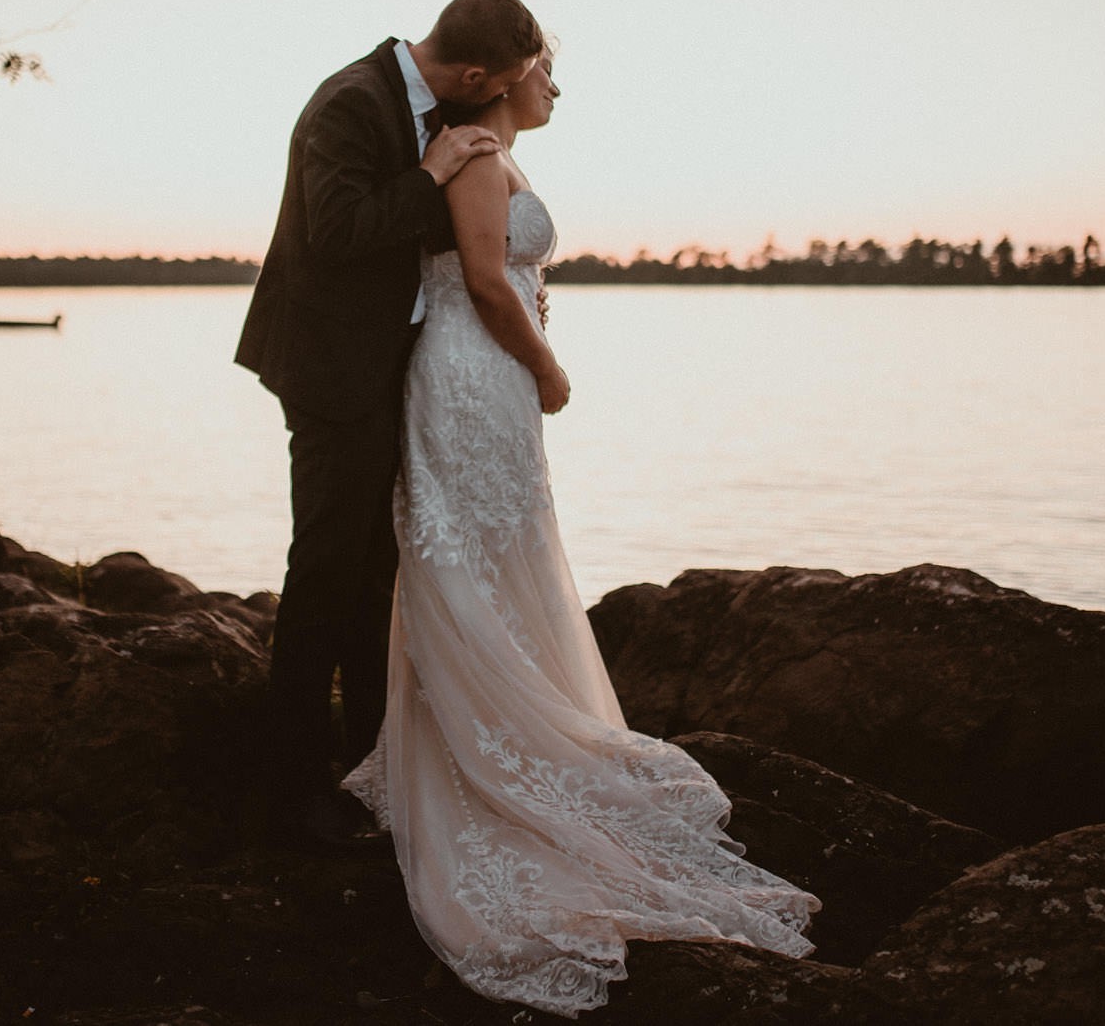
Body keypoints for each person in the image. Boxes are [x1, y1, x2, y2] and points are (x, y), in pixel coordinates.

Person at [342, 52, 821, 1016]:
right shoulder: (473, 156)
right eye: (546, 70)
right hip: (473, 372)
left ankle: (514, 720)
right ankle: (481, 747)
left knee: (504, 556)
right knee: (468, 559)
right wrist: (551, 368)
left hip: (490, 377)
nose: (558, 88)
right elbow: (482, 280)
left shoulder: (487, 153)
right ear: (504, 73)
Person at [236, 0, 544, 850]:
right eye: (513, 79)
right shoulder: (350, 102)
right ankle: (290, 788)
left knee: (373, 573)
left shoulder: (429, 105)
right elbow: (335, 233)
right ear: (476, 72)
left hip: (388, 368)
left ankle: (372, 761)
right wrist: (429, 176)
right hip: (328, 372)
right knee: (326, 570)